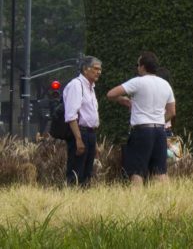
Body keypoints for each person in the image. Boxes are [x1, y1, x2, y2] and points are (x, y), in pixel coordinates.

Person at [106, 51, 176, 186]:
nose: (137, 67)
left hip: (142, 131)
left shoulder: (137, 82)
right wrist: (159, 120)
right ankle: (166, 201)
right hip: (160, 131)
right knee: (160, 172)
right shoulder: (165, 84)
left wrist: (125, 100)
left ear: (143, 67)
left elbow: (111, 94)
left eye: (137, 65)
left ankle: (136, 203)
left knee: (137, 171)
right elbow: (172, 111)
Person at [63, 56, 102, 186]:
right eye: (95, 69)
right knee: (76, 172)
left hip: (90, 133)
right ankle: (72, 201)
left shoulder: (91, 88)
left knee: (87, 173)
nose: (99, 72)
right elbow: (71, 115)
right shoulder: (76, 85)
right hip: (79, 132)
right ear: (85, 69)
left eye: (100, 69)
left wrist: (94, 142)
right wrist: (78, 139)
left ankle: (83, 203)